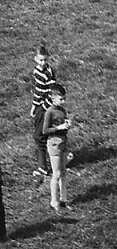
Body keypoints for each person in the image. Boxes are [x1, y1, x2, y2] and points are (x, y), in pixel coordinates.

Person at [41, 84, 72, 215]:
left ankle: (63, 199)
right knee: (56, 173)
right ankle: (54, 201)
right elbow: (45, 130)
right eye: (61, 99)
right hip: (54, 144)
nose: (63, 101)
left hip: (63, 142)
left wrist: (67, 125)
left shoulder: (62, 110)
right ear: (53, 98)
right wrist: (59, 128)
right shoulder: (49, 112)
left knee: (63, 172)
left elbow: (63, 124)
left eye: (64, 98)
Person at [29, 44, 56, 177]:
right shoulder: (44, 70)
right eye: (41, 60)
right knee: (45, 134)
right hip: (47, 105)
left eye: (45, 60)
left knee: (39, 136)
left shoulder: (43, 73)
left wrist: (35, 106)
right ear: (35, 59)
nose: (43, 62)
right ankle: (56, 158)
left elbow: (39, 92)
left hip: (44, 107)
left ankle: (43, 168)